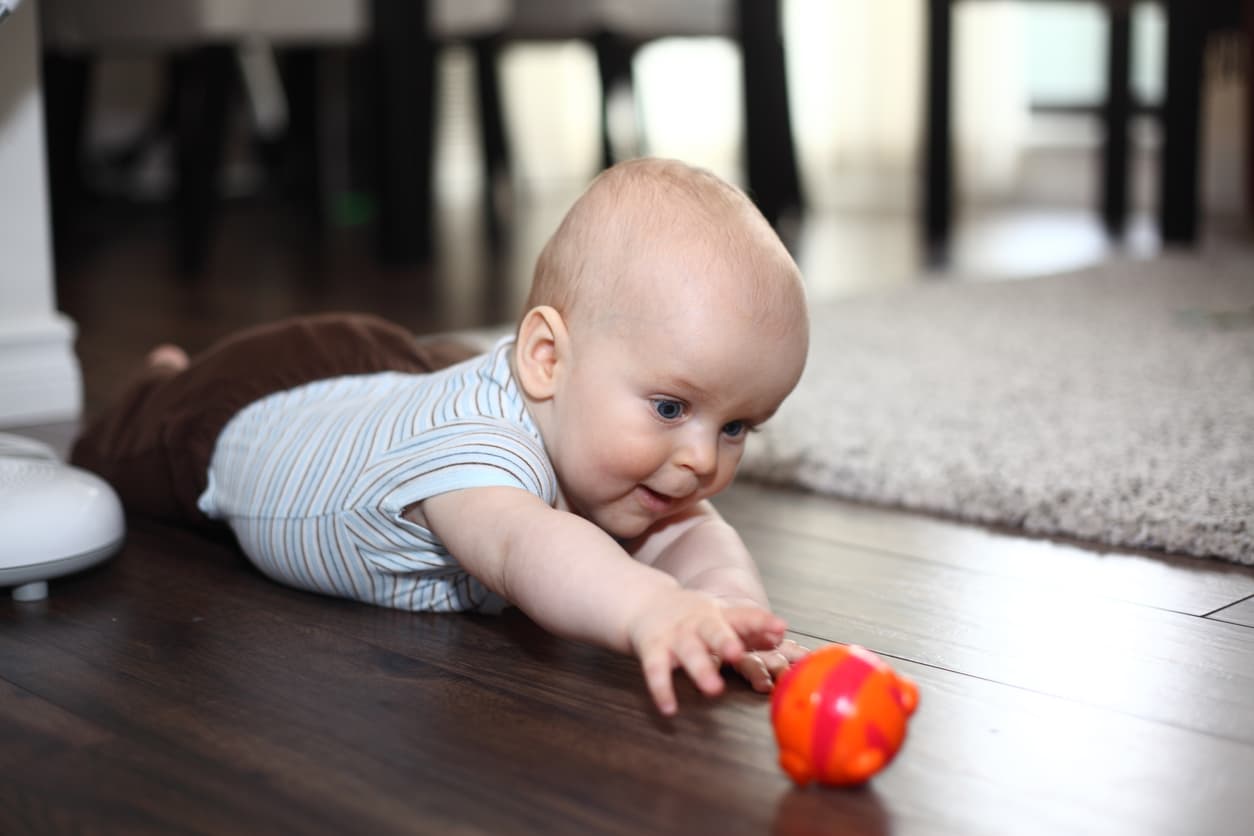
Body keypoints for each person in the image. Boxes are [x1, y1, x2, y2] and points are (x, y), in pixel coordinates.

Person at [72, 158, 810, 716]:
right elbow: (529, 549)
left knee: (441, 372)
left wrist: (731, 611)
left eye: (736, 426)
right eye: (672, 408)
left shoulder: (614, 439)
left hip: (395, 378)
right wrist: (651, 607)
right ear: (546, 358)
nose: (702, 460)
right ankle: (162, 377)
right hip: (246, 405)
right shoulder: (477, 456)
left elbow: (695, 537)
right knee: (123, 452)